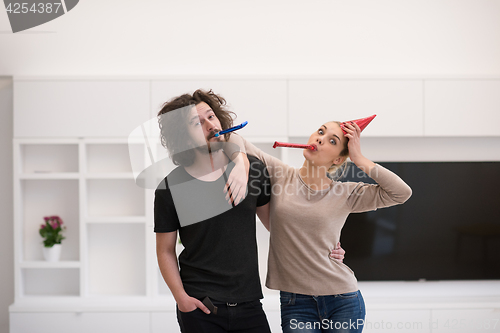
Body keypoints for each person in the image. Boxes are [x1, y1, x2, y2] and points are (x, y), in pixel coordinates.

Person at [154, 89, 348, 333]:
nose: (210, 125)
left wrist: (326, 245)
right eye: (197, 123)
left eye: (211, 116)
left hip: (249, 304)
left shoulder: (253, 170)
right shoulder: (170, 187)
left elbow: (278, 228)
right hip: (200, 305)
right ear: (183, 135)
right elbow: (165, 251)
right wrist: (181, 298)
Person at [228, 120, 412, 332]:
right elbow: (233, 138)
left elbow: (401, 193)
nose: (320, 138)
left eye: (331, 140)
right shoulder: (280, 174)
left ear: (338, 159)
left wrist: (358, 159)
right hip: (295, 302)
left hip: (343, 299)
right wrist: (241, 159)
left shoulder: (346, 193)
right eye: (321, 131)